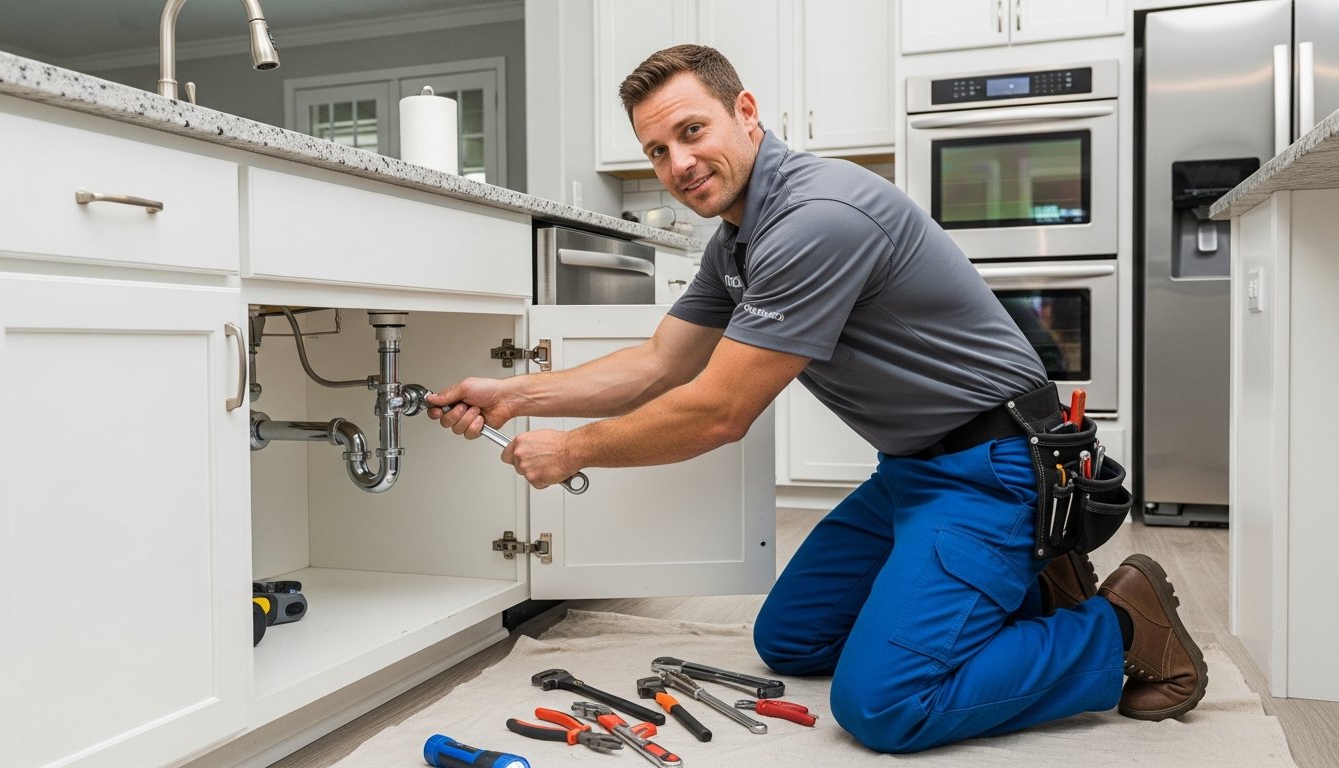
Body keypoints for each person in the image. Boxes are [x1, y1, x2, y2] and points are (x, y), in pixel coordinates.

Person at [426, 44, 1207, 753]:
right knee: (793, 639)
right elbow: (665, 361)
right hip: (911, 475)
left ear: (747, 111)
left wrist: (571, 452)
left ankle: (1122, 626)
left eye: (692, 132)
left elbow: (717, 412)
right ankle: (1029, 590)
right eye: (657, 151)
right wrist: (512, 395)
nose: (678, 162)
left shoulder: (816, 218)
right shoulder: (737, 237)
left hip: (995, 469)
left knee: (885, 705)